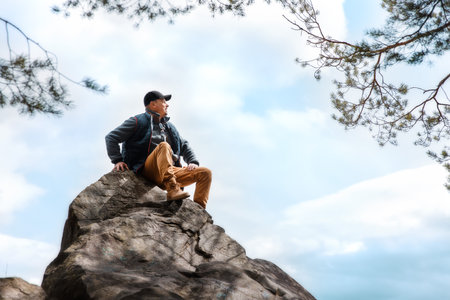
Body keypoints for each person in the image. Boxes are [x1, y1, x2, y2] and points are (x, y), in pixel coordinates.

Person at [105, 90, 212, 209]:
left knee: (205, 173)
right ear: (153, 104)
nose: (167, 105)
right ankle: (172, 189)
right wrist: (118, 160)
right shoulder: (137, 121)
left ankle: (198, 211)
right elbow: (111, 137)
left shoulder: (169, 127)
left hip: (168, 171)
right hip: (146, 170)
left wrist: (192, 161)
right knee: (164, 146)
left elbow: (184, 145)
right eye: (163, 101)